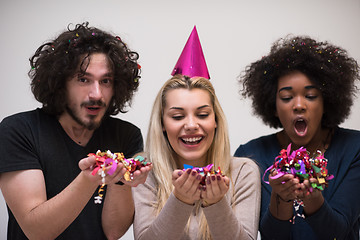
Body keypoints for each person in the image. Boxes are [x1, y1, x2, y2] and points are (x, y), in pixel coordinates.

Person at [0, 22, 151, 240]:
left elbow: (114, 231)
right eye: (83, 79)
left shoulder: (125, 136)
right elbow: (37, 231)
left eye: (106, 81)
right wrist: (90, 178)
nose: (97, 94)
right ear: (60, 83)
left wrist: (121, 178)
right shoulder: (19, 131)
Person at [234, 35, 360, 239]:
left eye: (310, 96)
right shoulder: (251, 155)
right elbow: (273, 236)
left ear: (326, 102)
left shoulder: (355, 148)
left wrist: (311, 196)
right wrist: (281, 197)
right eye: (286, 97)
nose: (299, 105)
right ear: (273, 106)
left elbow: (338, 231)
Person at [132, 74, 261, 240]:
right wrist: (180, 200)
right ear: (162, 123)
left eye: (202, 114)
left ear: (216, 120)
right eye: (178, 116)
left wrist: (216, 203)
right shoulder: (144, 172)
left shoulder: (243, 172)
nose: (191, 125)